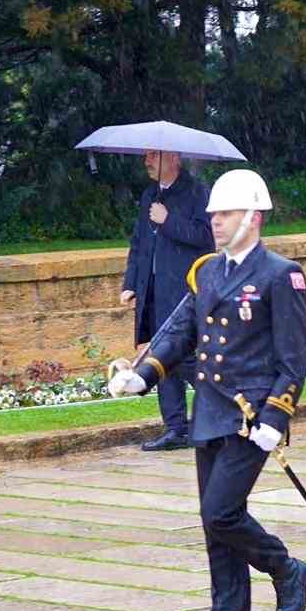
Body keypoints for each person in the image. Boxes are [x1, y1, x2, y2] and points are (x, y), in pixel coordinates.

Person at [107, 170, 306, 611]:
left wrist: (276, 414)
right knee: (214, 522)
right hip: (210, 410)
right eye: (214, 214)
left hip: (250, 416)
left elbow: (294, 359)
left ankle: (285, 568)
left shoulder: (280, 274)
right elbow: (180, 331)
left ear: (253, 217)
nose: (215, 221)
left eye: (225, 213)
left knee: (221, 512)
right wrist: (143, 376)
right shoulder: (207, 271)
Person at [120, 150, 213, 451]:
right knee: (159, 354)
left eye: (153, 156)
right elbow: (139, 244)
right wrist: (131, 283)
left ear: (172, 158)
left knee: (181, 356)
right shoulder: (149, 195)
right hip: (153, 291)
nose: (146, 161)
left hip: (184, 291)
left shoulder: (198, 192)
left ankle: (223, 399)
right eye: (146, 156)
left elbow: (207, 237)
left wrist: (168, 220)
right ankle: (176, 429)